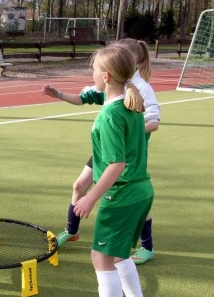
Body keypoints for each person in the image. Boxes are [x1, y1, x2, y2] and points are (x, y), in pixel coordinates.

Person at [43, 38, 160, 266]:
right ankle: (71, 230)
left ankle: (147, 245)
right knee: (79, 186)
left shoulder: (136, 93)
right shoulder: (113, 94)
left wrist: (91, 199)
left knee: (108, 255)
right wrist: (59, 94)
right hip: (108, 152)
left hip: (124, 163)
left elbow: (150, 124)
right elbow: (85, 97)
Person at [73, 45, 153, 297]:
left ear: (105, 76)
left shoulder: (111, 115)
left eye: (94, 71)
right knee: (119, 256)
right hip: (140, 191)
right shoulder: (130, 105)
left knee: (101, 258)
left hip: (121, 196)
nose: (92, 76)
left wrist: (89, 197)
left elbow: (116, 165)